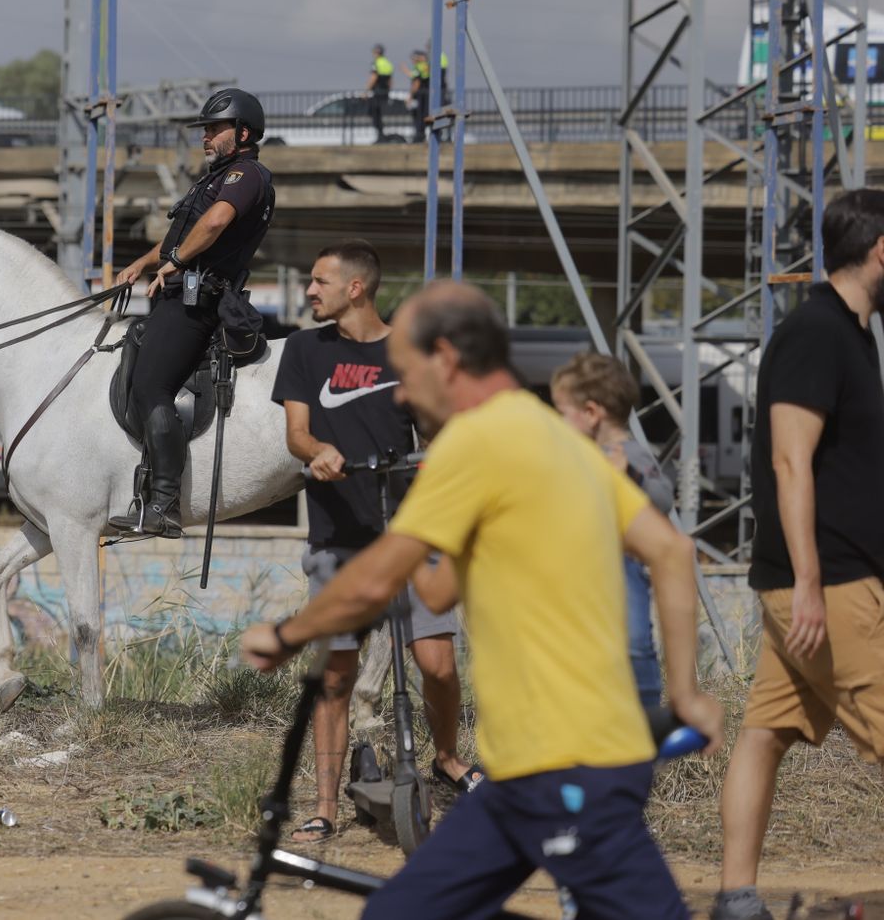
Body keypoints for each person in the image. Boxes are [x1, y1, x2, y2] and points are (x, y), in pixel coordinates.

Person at [239, 281, 722, 920]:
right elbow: (672, 552)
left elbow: (376, 580)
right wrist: (685, 693)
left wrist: (286, 635)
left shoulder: (477, 441)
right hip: (517, 775)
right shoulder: (546, 433)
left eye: (406, 374)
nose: (401, 394)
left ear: (445, 358)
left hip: (569, 762)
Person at [271, 240, 481, 844]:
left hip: (412, 531)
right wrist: (320, 451)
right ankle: (325, 806)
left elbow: (438, 429)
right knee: (336, 676)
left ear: (355, 288)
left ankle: (446, 759)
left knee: (437, 665)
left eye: (320, 281)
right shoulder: (305, 350)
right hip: (338, 536)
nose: (310, 291)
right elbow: (296, 433)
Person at [713, 189, 884, 920]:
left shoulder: (853, 333)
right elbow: (790, 460)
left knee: (765, 733)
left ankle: (735, 897)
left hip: (819, 582)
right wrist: (810, 581)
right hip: (829, 584)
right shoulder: (816, 332)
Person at [107, 88, 276, 537]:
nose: (206, 137)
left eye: (215, 129)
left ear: (243, 133)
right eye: (205, 129)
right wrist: (143, 263)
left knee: (150, 385)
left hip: (198, 302)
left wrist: (177, 261)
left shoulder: (246, 175)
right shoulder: (213, 179)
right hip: (178, 293)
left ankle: (163, 504)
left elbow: (214, 223)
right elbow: (179, 239)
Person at [551, 352, 670, 710]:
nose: (557, 421)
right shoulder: (571, 454)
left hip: (619, 572)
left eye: (562, 412)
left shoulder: (630, 454)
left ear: (591, 413)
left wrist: (628, 475)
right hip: (575, 584)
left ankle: (643, 704)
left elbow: (663, 498)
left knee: (633, 643)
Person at [366, 43, 395, 142]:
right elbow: (390, 80)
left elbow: (374, 77)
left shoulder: (376, 63)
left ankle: (380, 135)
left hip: (377, 91)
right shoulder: (388, 63)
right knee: (380, 113)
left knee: (374, 112)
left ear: (376, 52)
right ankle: (381, 135)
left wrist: (366, 91)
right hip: (385, 92)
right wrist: (389, 91)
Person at [402, 49, 432, 142]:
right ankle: (424, 134)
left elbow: (416, 82)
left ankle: (419, 135)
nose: (412, 60)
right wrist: (406, 71)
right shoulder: (426, 66)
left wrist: (410, 97)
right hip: (427, 95)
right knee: (426, 114)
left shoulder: (418, 67)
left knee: (418, 116)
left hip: (420, 95)